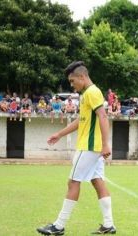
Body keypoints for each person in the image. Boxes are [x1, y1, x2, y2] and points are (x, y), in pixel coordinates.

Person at [37, 61, 116, 235]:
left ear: (82, 76)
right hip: (93, 147)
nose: (72, 86)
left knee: (73, 182)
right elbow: (81, 121)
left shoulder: (92, 92)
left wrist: (105, 144)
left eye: (73, 81)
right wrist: (59, 134)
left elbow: (103, 116)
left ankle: (58, 226)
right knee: (97, 181)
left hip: (89, 147)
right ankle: (108, 224)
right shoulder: (88, 94)